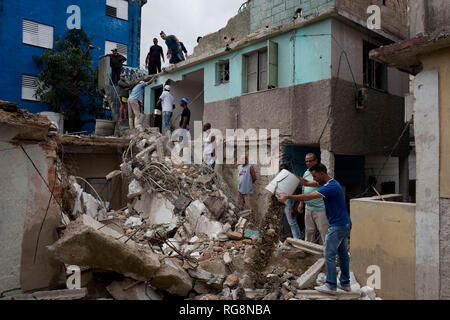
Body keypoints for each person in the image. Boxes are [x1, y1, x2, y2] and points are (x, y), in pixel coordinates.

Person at [278, 163, 352, 295]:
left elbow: (309, 196)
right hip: (344, 224)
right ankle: (345, 283)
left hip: (337, 226)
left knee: (328, 254)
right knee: (342, 254)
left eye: (315, 176)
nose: (314, 179)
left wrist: (288, 197)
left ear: (322, 173)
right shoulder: (328, 183)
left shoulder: (330, 187)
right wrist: (290, 174)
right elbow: (305, 182)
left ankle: (331, 285)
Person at [298, 153, 328, 244]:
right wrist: (301, 203)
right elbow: (304, 188)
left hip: (320, 209)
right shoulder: (306, 173)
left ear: (316, 161)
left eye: (310, 161)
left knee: (324, 232)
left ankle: (327, 253)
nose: (308, 163)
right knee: (309, 231)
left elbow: (318, 184)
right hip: (308, 208)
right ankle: (307, 253)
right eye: (306, 161)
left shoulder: (321, 173)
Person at [279, 164, 302, 239]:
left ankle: (297, 239)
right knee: (287, 222)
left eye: (284, 170)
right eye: (281, 170)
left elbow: (295, 193)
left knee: (292, 222)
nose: (282, 172)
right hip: (283, 202)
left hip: (290, 203)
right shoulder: (281, 180)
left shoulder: (291, 180)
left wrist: (292, 208)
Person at [238, 155, 257, 222]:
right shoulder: (239, 167)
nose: (244, 160)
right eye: (242, 159)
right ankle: (240, 220)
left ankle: (252, 221)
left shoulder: (250, 167)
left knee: (250, 207)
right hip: (240, 190)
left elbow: (254, 178)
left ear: (247, 160)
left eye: (245, 159)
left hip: (247, 191)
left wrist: (248, 185)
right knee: (240, 206)